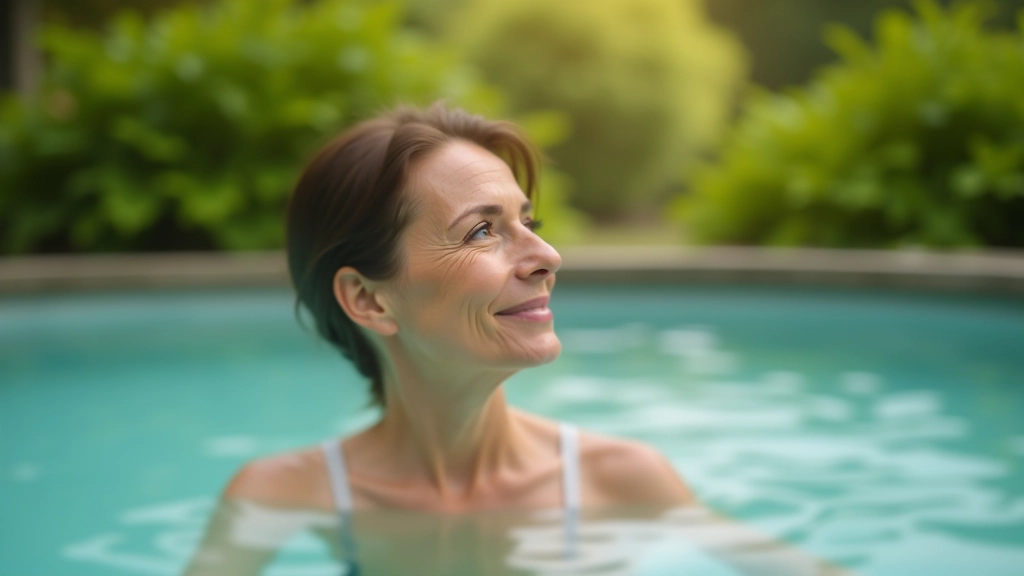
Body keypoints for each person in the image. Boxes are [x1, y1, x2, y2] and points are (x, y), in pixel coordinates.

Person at [225, 102, 694, 514]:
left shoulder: (622, 481)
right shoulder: (281, 497)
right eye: (481, 232)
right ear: (368, 300)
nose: (548, 257)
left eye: (529, 222)